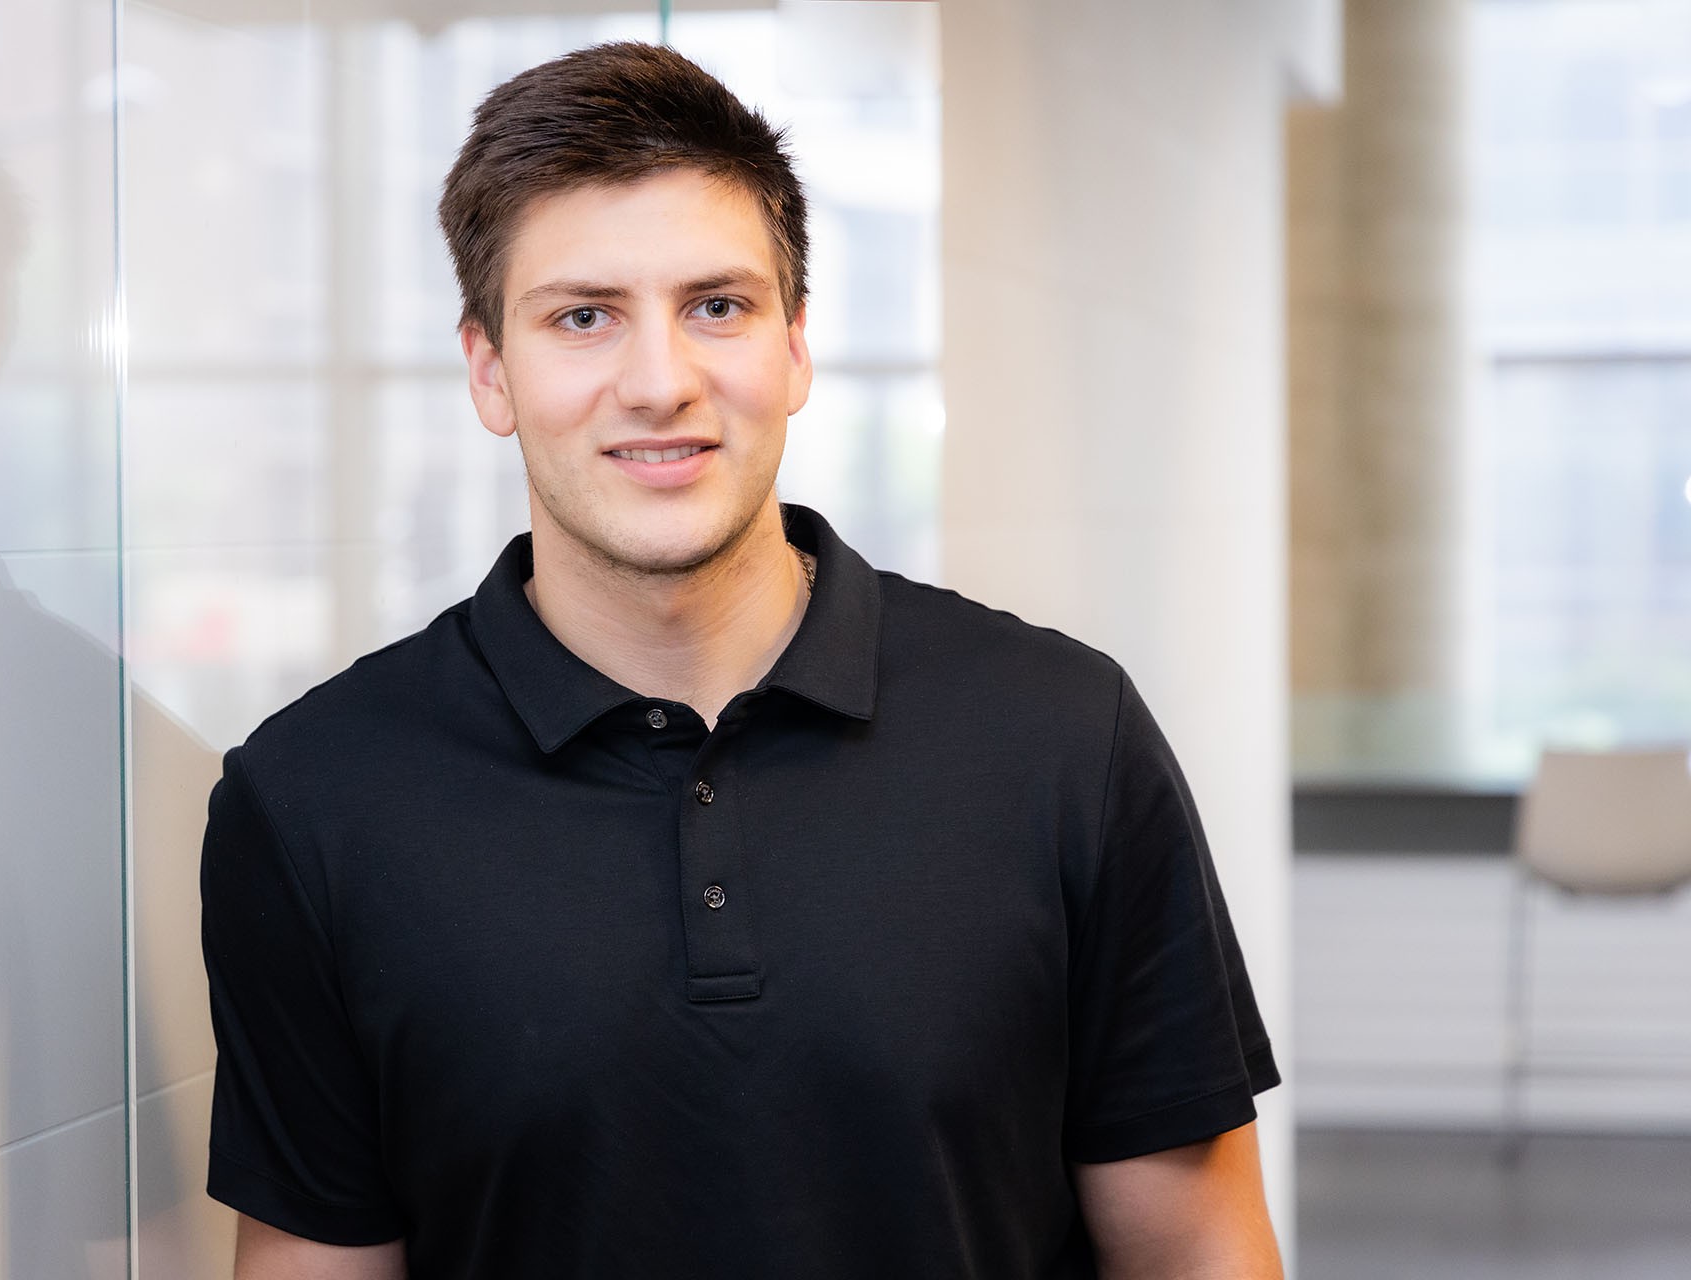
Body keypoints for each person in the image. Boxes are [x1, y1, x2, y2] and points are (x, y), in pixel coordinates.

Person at [201, 41, 1282, 1280]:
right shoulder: (315, 798)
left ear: (797, 348)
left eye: (717, 306)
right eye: (583, 317)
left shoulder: (1063, 736)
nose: (661, 382)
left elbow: (1198, 1248)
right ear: (491, 370)